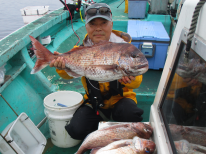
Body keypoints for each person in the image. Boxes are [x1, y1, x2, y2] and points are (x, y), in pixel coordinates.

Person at [49, 3, 144, 141]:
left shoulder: (125, 49)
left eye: (103, 23)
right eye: (93, 24)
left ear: (111, 24)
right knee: (76, 130)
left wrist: (132, 79)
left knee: (131, 114)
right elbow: (67, 74)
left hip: (121, 99)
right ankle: (100, 134)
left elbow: (138, 81)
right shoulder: (80, 50)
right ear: (86, 27)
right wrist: (61, 66)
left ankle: (116, 135)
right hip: (94, 102)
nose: (98, 28)